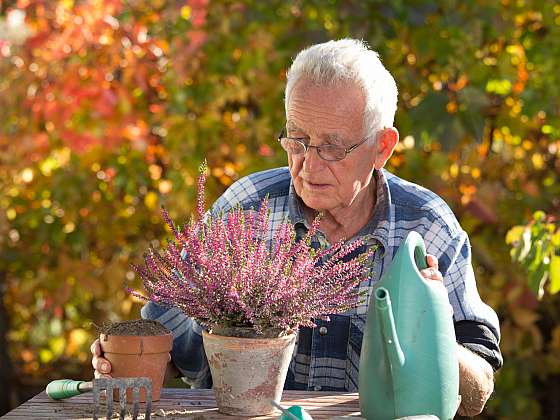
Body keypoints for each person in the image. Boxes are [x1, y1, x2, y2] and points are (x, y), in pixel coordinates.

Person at [91, 39, 502, 416]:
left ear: (382, 147)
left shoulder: (426, 224)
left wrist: (428, 326)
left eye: (332, 147)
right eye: (297, 140)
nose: (308, 165)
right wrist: (121, 357)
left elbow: (477, 393)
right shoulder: (245, 209)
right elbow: (163, 341)